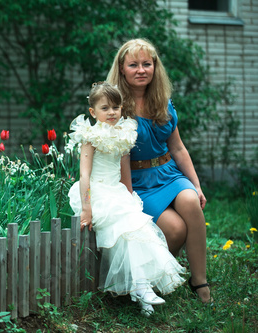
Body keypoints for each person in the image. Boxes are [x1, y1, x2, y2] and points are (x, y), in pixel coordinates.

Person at [106, 38, 212, 304]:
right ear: (122, 69)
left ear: (155, 66)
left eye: (147, 64)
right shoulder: (115, 107)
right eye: (133, 65)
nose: (141, 70)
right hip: (138, 180)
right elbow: (120, 160)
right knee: (175, 230)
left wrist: (196, 185)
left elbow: (177, 148)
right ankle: (151, 278)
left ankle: (199, 281)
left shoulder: (162, 100)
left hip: (168, 172)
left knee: (191, 201)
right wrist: (129, 199)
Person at [67, 82, 185, 316]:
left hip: (117, 192)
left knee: (140, 230)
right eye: (105, 108)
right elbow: (84, 175)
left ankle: (142, 291)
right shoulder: (89, 137)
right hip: (96, 193)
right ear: (93, 112)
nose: (112, 112)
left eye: (116, 107)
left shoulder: (124, 134)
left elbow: (124, 172)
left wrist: (129, 197)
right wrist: (87, 209)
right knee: (126, 230)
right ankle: (141, 289)